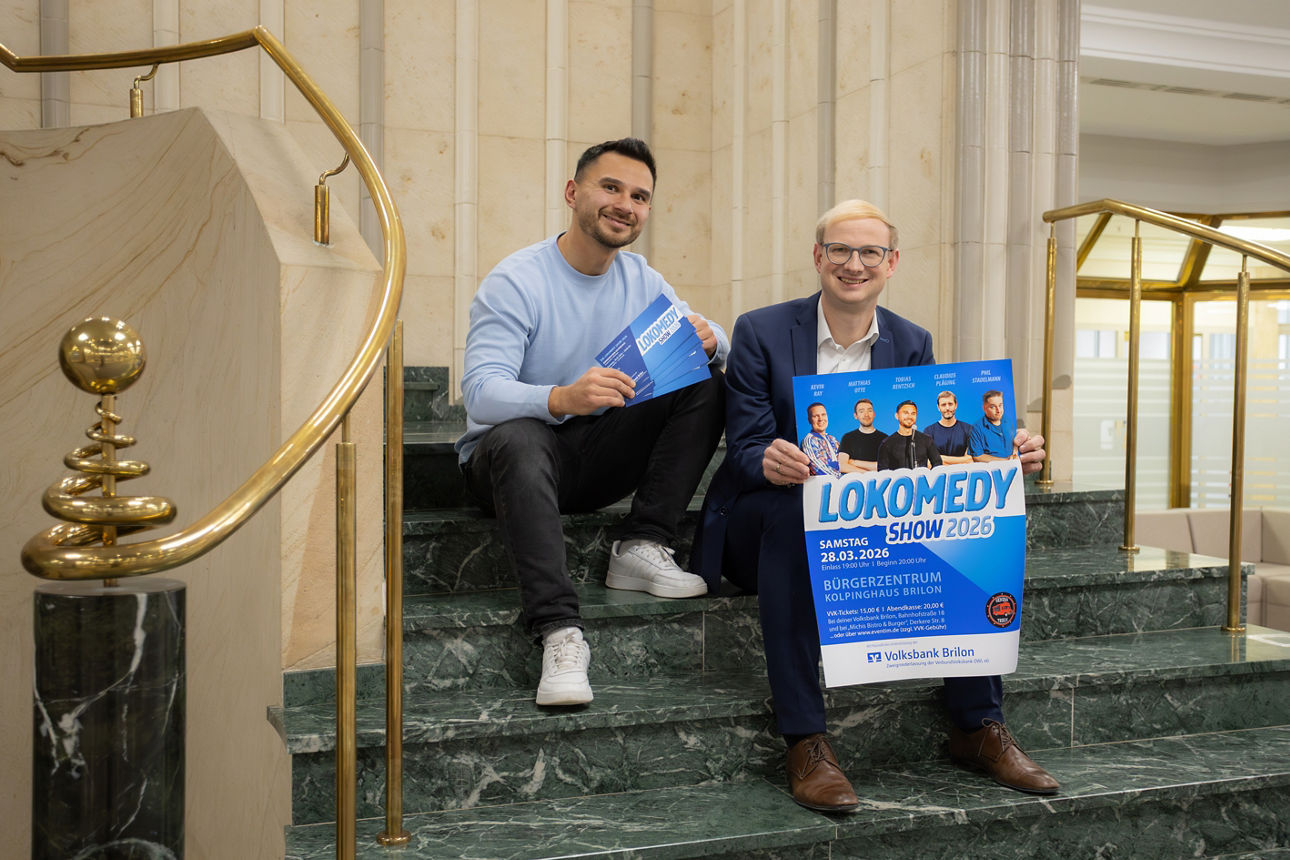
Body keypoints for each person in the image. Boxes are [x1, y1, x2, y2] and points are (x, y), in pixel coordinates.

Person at [694, 199, 1057, 813]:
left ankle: (977, 726)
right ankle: (805, 740)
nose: (853, 264)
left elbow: (924, 458)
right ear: (818, 257)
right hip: (761, 521)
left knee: (959, 521)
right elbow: (743, 449)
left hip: (863, 522)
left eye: (869, 253)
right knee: (794, 511)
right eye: (840, 250)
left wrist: (1006, 455)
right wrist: (769, 461)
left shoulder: (912, 341)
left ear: (891, 263)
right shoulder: (761, 329)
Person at [456, 138, 729, 707]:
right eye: (610, 187)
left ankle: (642, 544)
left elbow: (702, 334)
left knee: (706, 377)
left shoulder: (642, 280)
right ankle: (560, 632)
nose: (625, 204)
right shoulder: (517, 280)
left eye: (639, 196)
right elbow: (480, 395)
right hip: (506, 466)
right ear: (573, 192)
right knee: (519, 434)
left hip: (592, 460)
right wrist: (562, 396)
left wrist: (712, 337)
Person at [876, 400, 942, 470]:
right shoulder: (887, 443)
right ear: (896, 415)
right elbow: (882, 471)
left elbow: (937, 463)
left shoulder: (926, 440)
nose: (909, 416)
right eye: (906, 413)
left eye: (913, 413)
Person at [923, 390, 974, 465]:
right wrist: (961, 461)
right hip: (938, 476)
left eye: (950, 404)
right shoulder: (929, 432)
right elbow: (929, 463)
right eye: (943, 405)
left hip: (964, 476)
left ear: (956, 405)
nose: (947, 408)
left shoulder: (968, 429)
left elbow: (971, 460)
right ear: (938, 407)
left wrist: (941, 458)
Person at [837, 398, 886, 472]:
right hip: (854, 483)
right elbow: (842, 466)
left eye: (869, 410)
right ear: (855, 416)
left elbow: (885, 466)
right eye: (861, 411)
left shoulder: (885, 439)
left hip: (879, 483)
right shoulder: (847, 438)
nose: (866, 414)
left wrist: (854, 462)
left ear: (874, 414)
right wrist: (867, 474)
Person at [969, 390, 1016, 462]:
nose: (998, 410)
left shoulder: (1008, 421)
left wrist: (1015, 452)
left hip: (1013, 468)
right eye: (993, 407)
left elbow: (1014, 444)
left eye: (1000, 405)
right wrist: (1006, 461)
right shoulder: (976, 428)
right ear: (984, 408)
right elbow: (977, 457)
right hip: (991, 471)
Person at [800, 402, 841, 477]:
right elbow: (818, 468)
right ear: (809, 420)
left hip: (843, 485)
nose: (820, 419)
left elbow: (845, 461)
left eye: (823, 415)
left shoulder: (832, 439)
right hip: (823, 486)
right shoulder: (809, 440)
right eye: (816, 416)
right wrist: (843, 477)